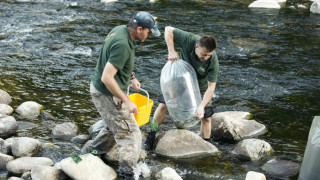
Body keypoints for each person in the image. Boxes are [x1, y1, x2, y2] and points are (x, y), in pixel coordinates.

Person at [81, 11, 160, 179]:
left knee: (114, 127)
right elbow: (107, 77)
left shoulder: (121, 30)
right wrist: (127, 101)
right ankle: (126, 173)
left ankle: (88, 154)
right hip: (106, 94)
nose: (150, 35)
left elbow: (116, 61)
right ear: (139, 29)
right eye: (149, 32)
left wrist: (131, 78)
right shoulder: (122, 44)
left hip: (100, 89)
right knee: (131, 133)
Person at [145, 26, 219, 150]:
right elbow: (168, 29)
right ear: (196, 47)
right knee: (164, 105)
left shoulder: (212, 61)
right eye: (203, 54)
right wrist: (171, 50)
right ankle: (151, 134)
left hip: (200, 85)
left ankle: (207, 144)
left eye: (209, 55)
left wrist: (201, 106)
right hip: (180, 78)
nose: (205, 58)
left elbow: (211, 87)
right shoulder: (189, 40)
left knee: (206, 116)